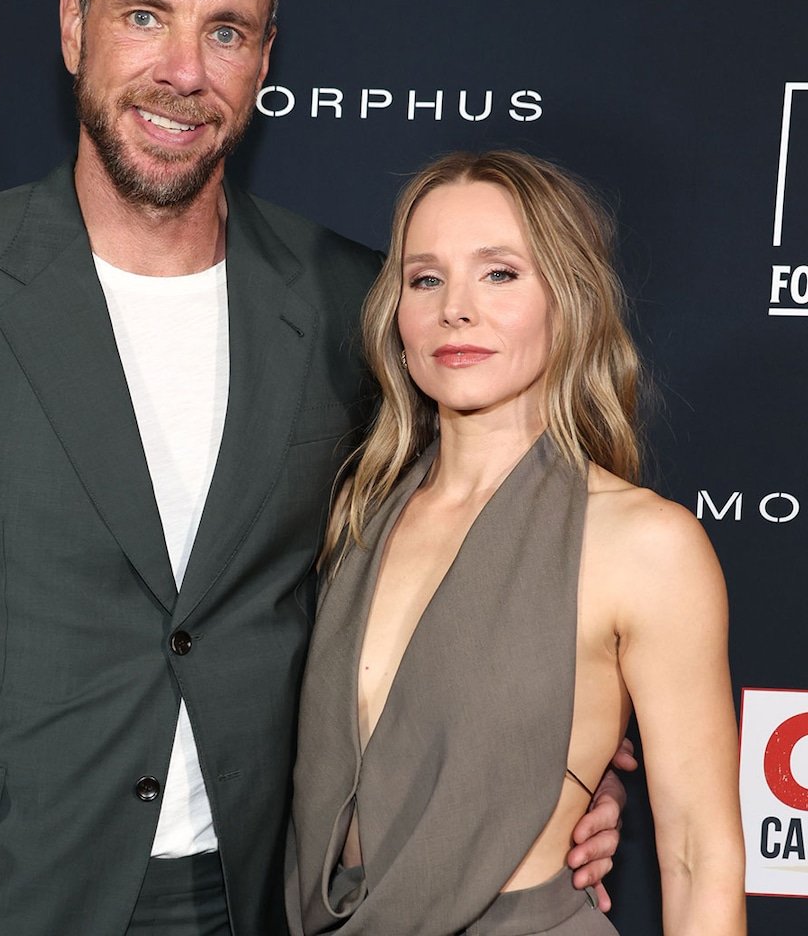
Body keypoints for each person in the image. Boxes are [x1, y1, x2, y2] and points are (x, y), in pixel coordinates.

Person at [0, 0, 624, 933]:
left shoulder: (355, 300)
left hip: (257, 895)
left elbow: (477, 562)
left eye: (226, 31)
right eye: (145, 16)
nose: (183, 71)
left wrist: (578, 766)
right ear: (74, 28)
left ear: (264, 60)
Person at [284, 151, 746, 935]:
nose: (455, 310)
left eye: (499, 274)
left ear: (568, 300)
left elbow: (700, 858)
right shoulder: (354, 515)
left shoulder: (644, 545)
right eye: (425, 279)